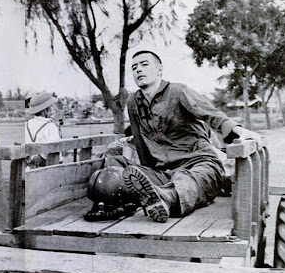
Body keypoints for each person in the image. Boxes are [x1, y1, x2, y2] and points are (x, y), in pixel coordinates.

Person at [91, 50, 261, 223]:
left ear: (159, 70)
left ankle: (166, 198)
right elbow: (140, 142)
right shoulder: (133, 103)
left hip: (199, 165)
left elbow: (211, 114)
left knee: (185, 179)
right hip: (163, 172)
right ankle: (120, 202)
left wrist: (239, 130)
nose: (138, 70)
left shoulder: (178, 91)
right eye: (134, 67)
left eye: (144, 65)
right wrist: (147, 173)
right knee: (116, 169)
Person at [24, 91, 62, 169]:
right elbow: (54, 151)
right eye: (51, 107)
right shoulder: (51, 126)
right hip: (47, 169)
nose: (53, 110)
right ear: (44, 111)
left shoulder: (26, 125)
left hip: (27, 168)